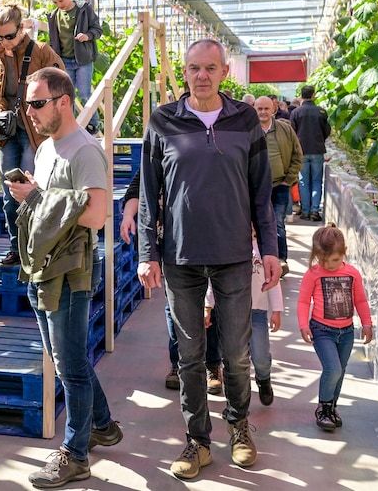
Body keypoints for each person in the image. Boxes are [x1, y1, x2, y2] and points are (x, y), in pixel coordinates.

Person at [138, 39, 280, 481]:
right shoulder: (163, 121)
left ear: (223, 73)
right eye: (195, 68)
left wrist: (271, 249)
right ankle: (197, 440)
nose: (203, 76)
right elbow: (148, 195)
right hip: (180, 255)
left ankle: (239, 426)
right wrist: (148, 254)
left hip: (235, 254)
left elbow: (263, 195)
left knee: (237, 353)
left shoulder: (244, 121)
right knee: (190, 355)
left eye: (211, 68)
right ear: (185, 72)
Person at [8, 67, 120, 488]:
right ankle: (103, 425)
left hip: (71, 272)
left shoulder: (85, 151)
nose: (30, 112)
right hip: (43, 266)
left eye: (37, 103)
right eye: (27, 104)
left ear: (63, 101)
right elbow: (53, 205)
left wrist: (38, 196)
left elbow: (95, 214)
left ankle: (75, 455)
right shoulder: (46, 148)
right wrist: (31, 195)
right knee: (64, 357)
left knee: (70, 366)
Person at [119, 174, 222, 394]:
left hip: (209, 240)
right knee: (174, 307)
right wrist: (129, 215)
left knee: (211, 304)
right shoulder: (161, 147)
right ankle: (178, 365)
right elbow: (139, 186)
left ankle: (212, 364)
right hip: (171, 245)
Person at [0, 3, 64, 266]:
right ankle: (16, 248)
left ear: (22, 29)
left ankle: (37, 246)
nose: (4, 41)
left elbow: (62, 85)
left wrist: (56, 124)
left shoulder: (41, 52)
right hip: (7, 133)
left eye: (9, 36)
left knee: (31, 190)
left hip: (36, 132)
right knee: (10, 194)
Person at [298, 223, 374, 431]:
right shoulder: (313, 274)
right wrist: (304, 324)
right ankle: (323, 408)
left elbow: (360, 300)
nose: (329, 265)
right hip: (322, 330)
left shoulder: (352, 273)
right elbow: (304, 301)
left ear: (344, 253)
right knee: (332, 369)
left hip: (346, 331)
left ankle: (332, 407)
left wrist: (367, 323)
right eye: (323, 260)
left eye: (334, 260)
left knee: (340, 370)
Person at [208, 236, 284, 405]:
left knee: (261, 356)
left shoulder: (264, 251)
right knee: (235, 357)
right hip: (230, 311)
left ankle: (263, 378)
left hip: (257, 312)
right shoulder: (226, 247)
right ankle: (238, 399)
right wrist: (208, 306)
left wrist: (276, 310)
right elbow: (214, 280)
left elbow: (273, 281)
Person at [46, 0, 103, 133]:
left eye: (61, 0)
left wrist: (87, 35)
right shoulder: (54, 16)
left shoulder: (83, 9)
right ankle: (69, 126)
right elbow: (53, 40)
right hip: (65, 61)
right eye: (55, 2)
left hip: (83, 60)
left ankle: (93, 124)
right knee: (66, 95)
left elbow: (98, 29)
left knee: (84, 93)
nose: (59, 4)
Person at [254, 96, 302, 277]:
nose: (263, 112)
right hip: (255, 188)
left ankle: (281, 260)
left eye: (266, 108)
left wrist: (288, 180)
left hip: (279, 185)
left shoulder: (284, 129)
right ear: (254, 109)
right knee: (255, 224)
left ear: (273, 109)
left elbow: (298, 156)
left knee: (278, 223)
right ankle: (258, 262)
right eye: (260, 109)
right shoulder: (248, 131)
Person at [290, 85, 332, 221]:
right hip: (317, 151)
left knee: (303, 181)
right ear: (313, 95)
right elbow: (327, 131)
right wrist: (320, 140)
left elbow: (292, 133)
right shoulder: (321, 112)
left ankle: (306, 211)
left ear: (301, 96)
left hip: (301, 151)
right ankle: (315, 210)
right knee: (316, 180)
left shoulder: (296, 113)